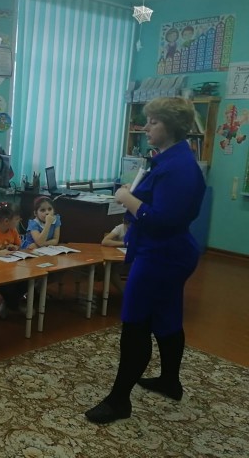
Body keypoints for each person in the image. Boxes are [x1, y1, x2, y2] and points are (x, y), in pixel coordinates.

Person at [85, 97, 206, 424]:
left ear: (172, 125)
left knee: (135, 325)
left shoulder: (179, 168)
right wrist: (134, 199)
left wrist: (127, 198)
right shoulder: (168, 159)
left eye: (153, 122)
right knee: (166, 318)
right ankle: (170, 382)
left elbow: (162, 219)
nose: (145, 127)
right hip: (165, 252)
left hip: (161, 256)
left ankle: (118, 401)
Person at [101, 216, 131, 293]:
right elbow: (105, 241)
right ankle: (124, 292)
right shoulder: (120, 228)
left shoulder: (141, 228)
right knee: (111, 269)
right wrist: (124, 244)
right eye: (127, 225)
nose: (129, 227)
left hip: (135, 259)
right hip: (120, 259)